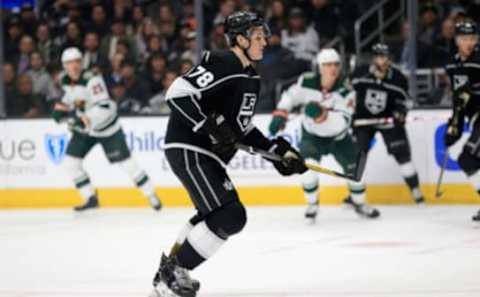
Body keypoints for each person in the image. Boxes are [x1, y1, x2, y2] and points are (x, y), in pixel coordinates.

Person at [149, 12, 307, 297]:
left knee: (215, 215)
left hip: (207, 154)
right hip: (191, 147)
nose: (264, 42)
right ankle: (173, 274)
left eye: (264, 36)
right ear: (240, 39)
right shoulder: (225, 62)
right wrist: (207, 124)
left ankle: (168, 275)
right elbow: (177, 92)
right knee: (230, 215)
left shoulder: (250, 77)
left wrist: (277, 153)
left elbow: (241, 129)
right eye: (257, 37)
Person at [269, 48, 380, 221]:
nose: (333, 68)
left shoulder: (346, 89)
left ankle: (359, 203)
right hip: (312, 136)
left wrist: (321, 114)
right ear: (320, 67)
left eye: (336, 64)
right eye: (328, 65)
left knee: (356, 173)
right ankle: (312, 204)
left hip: (339, 139)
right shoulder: (306, 81)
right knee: (307, 170)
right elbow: (291, 96)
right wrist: (281, 113)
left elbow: (343, 121)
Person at [51, 47, 162, 211]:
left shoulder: (92, 79)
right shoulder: (66, 81)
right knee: (70, 163)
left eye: (76, 61)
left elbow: (103, 106)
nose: (73, 66)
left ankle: (151, 195)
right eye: (69, 63)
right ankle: (90, 197)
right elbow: (72, 100)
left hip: (107, 127)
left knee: (127, 164)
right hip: (86, 129)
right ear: (64, 66)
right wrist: (63, 109)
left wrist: (81, 118)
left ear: (82, 62)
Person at [351, 43, 424, 204]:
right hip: (363, 122)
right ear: (373, 58)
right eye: (378, 57)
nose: (382, 61)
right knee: (357, 157)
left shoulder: (398, 78)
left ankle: (416, 191)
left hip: (390, 122)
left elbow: (407, 101)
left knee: (403, 156)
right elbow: (347, 94)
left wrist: (401, 112)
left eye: (385, 57)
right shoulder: (359, 73)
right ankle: (355, 194)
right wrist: (349, 113)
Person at [443, 21, 480, 221]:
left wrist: (472, 90)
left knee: (467, 158)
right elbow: (458, 99)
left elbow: (467, 93)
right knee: (467, 160)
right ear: (457, 41)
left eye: (473, 38)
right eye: (465, 39)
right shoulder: (451, 63)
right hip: (474, 119)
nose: (469, 42)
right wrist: (455, 124)